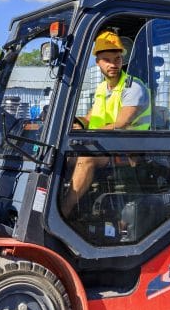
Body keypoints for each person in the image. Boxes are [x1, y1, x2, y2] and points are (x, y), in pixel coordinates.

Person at [61, 31, 151, 216]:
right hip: (105, 144)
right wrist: (74, 123)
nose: (113, 64)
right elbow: (90, 118)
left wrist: (87, 134)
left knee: (85, 158)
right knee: (61, 154)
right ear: (98, 62)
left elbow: (121, 124)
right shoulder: (102, 88)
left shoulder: (133, 87)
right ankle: (66, 204)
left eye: (117, 59)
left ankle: (64, 211)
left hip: (132, 148)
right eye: (107, 60)